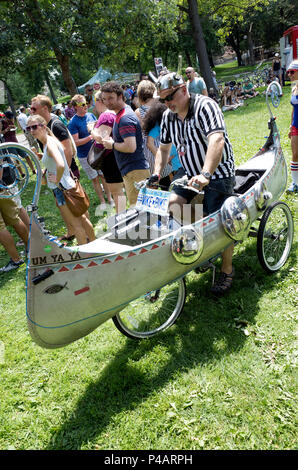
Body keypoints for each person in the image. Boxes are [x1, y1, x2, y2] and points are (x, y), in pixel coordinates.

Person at [152, 71, 235, 296]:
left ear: (184, 89)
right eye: (164, 99)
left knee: (223, 221)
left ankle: (227, 268)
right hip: (190, 174)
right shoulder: (169, 117)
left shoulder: (205, 106)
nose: (168, 103)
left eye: (171, 96)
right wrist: (156, 174)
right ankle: (207, 241)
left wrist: (206, 173)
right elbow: (163, 149)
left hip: (218, 174)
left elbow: (216, 139)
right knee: (173, 205)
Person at [26, 114, 95, 245]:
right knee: (83, 219)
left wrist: (56, 178)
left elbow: (61, 164)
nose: (31, 131)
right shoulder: (49, 141)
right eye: (28, 128)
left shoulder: (50, 144)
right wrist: (42, 156)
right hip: (68, 185)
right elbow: (56, 157)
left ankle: (84, 255)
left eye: (34, 127)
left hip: (62, 189)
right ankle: (93, 244)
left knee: (77, 226)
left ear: (43, 126)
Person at [100, 81, 150, 206]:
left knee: (140, 209)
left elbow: (130, 146)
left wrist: (112, 145)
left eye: (111, 98)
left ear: (120, 96)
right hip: (133, 170)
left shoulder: (125, 118)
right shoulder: (122, 113)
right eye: (104, 99)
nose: (107, 102)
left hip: (135, 171)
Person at [67, 94, 113, 210]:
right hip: (85, 155)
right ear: (75, 107)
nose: (85, 106)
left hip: (98, 151)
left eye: (86, 103)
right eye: (82, 104)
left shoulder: (91, 115)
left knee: (104, 176)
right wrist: (91, 136)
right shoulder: (73, 123)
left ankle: (110, 199)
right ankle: (102, 202)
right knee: (95, 179)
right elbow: (76, 142)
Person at [91, 91, 124, 213]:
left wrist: (92, 130)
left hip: (110, 158)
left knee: (116, 191)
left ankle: (122, 217)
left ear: (100, 101)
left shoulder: (106, 115)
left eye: (95, 101)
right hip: (115, 155)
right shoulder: (113, 113)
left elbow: (101, 138)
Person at [142, 100, 180, 189]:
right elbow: (149, 143)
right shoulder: (159, 125)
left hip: (171, 162)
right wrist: (164, 159)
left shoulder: (158, 124)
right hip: (168, 163)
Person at [286, 59, 298, 193]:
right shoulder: (294, 88)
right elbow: (294, 109)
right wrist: (290, 126)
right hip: (295, 125)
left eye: (292, 72)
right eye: (288, 72)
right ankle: (295, 183)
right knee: (295, 155)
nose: (289, 74)